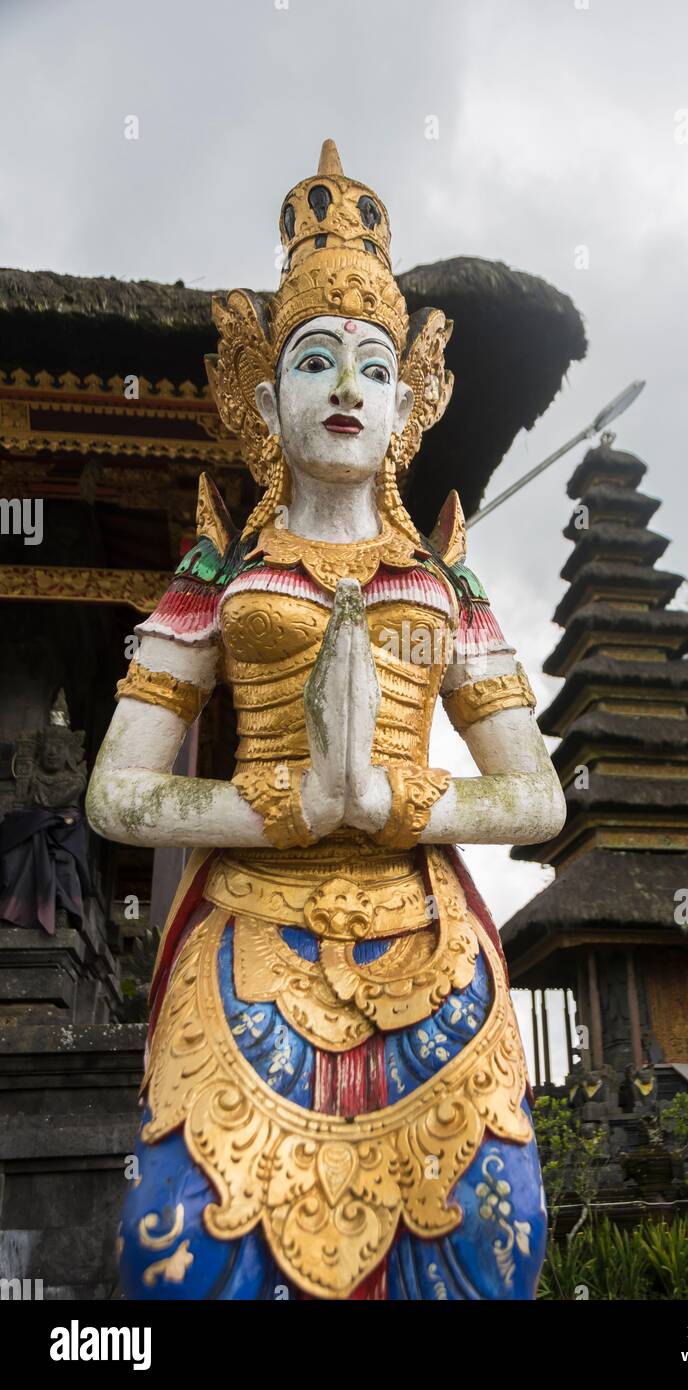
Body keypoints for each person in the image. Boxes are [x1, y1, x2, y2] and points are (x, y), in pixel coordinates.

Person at [87, 140, 566, 1301]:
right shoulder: (222, 578)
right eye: (314, 362)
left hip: (427, 944)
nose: (345, 388)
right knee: (185, 1241)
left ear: (407, 404)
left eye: (369, 367)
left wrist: (403, 799)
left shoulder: (445, 588)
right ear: (265, 399)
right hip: (247, 937)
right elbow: (117, 793)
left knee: (488, 1238)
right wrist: (285, 807)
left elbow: (538, 799)